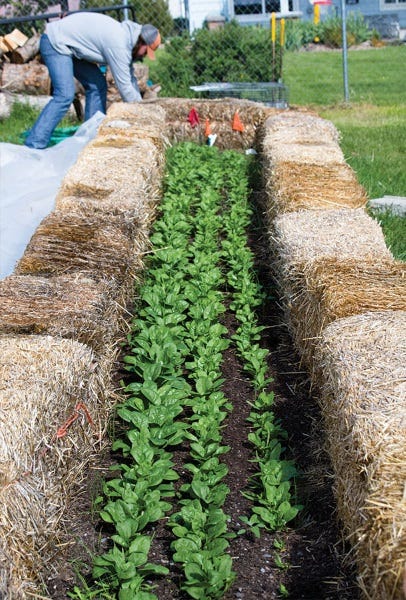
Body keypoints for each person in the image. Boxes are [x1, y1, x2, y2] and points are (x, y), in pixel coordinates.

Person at [24, 12, 161, 149]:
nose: (144, 56)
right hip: (55, 42)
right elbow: (125, 86)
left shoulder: (128, 41)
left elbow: (131, 79)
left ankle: (89, 140)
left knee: (98, 85)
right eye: (146, 51)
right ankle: (34, 145)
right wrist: (141, 116)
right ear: (142, 41)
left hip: (71, 47)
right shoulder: (119, 43)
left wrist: (142, 106)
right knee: (64, 95)